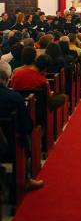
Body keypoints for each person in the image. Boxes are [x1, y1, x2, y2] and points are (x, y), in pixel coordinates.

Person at [0, 61, 44, 191]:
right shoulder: (14, 97)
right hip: (8, 145)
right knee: (25, 135)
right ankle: (25, 178)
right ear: (6, 79)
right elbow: (27, 126)